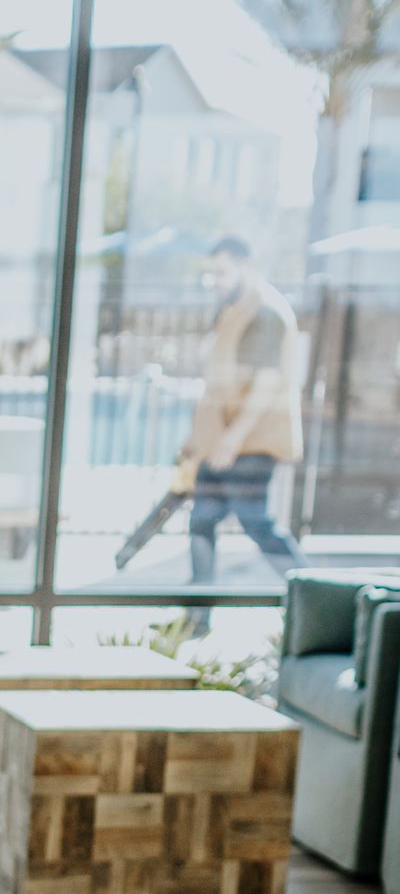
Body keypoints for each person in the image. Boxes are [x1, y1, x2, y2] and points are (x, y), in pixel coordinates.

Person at [180, 235, 304, 622]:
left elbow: (267, 384)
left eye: (222, 272)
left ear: (246, 265)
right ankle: (198, 618)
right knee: (202, 519)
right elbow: (220, 382)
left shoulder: (265, 313)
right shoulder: (234, 311)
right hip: (222, 442)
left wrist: (232, 440)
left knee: (256, 523)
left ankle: (316, 595)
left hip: (249, 442)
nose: (215, 281)